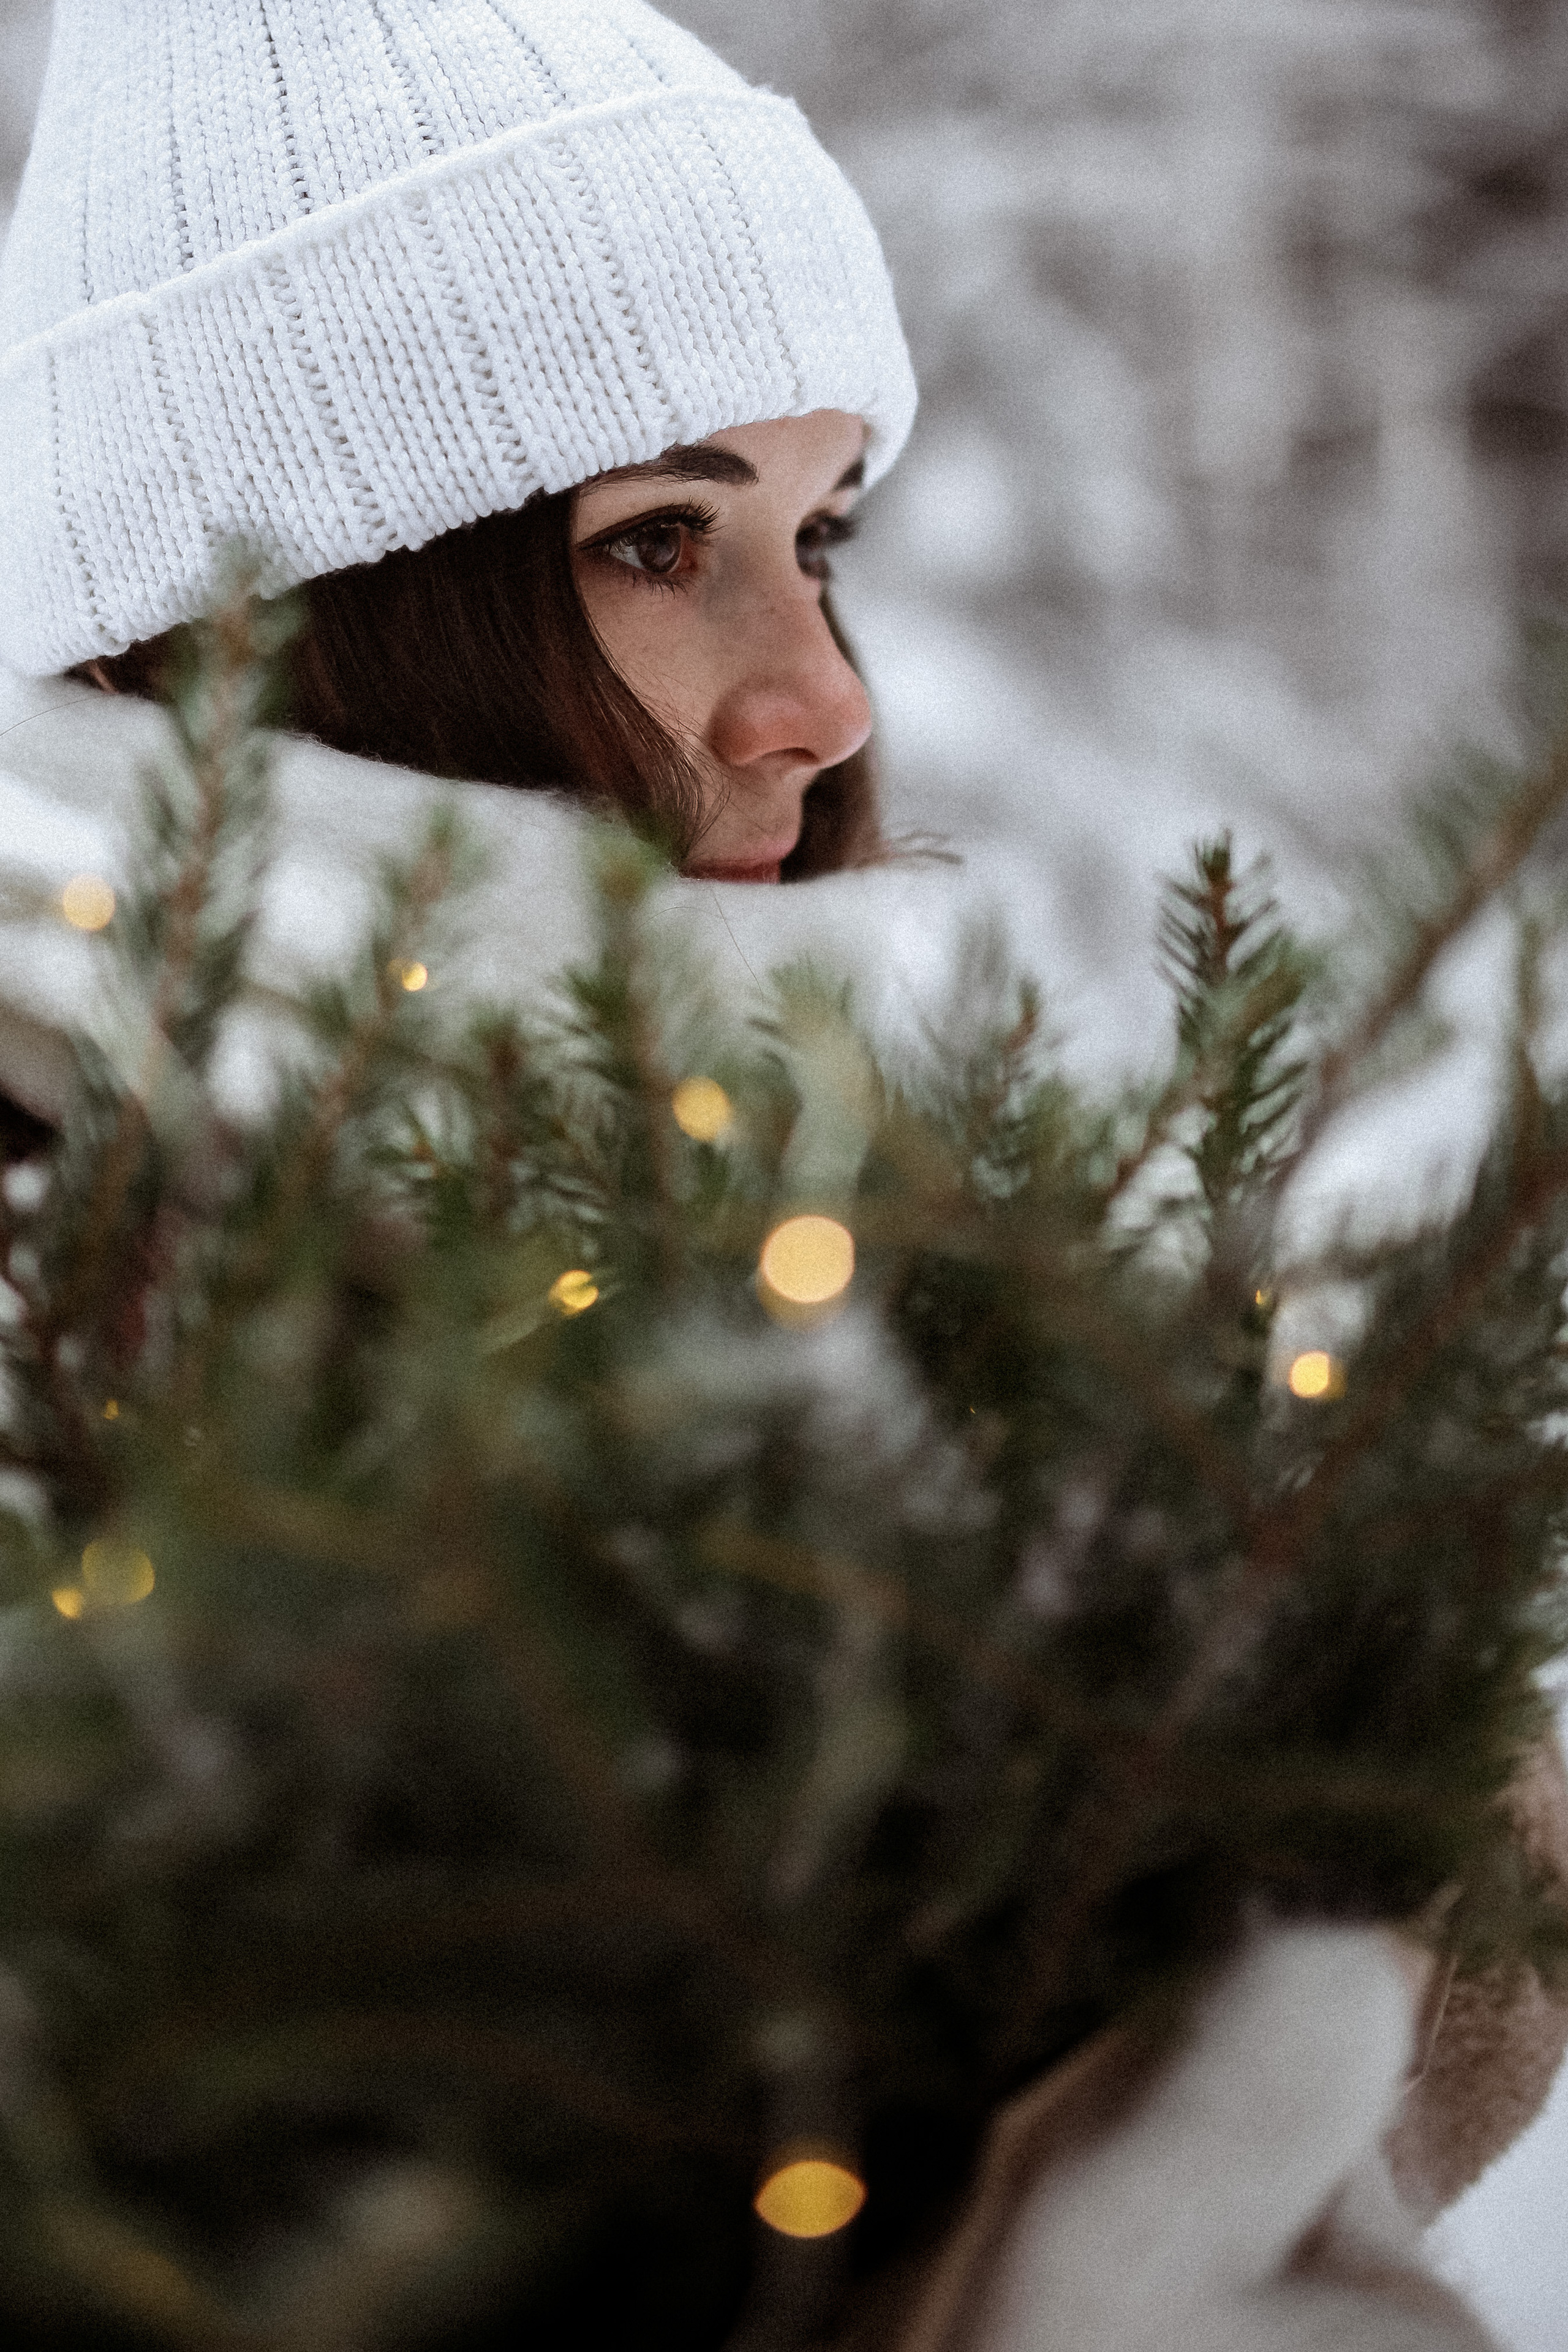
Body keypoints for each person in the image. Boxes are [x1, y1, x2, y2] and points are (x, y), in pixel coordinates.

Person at [0, 6, 1562, 2348]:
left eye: (816, 538)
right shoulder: (80, 1347)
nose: (824, 700)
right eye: (660, 539)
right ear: (294, 617)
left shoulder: (863, 1281)